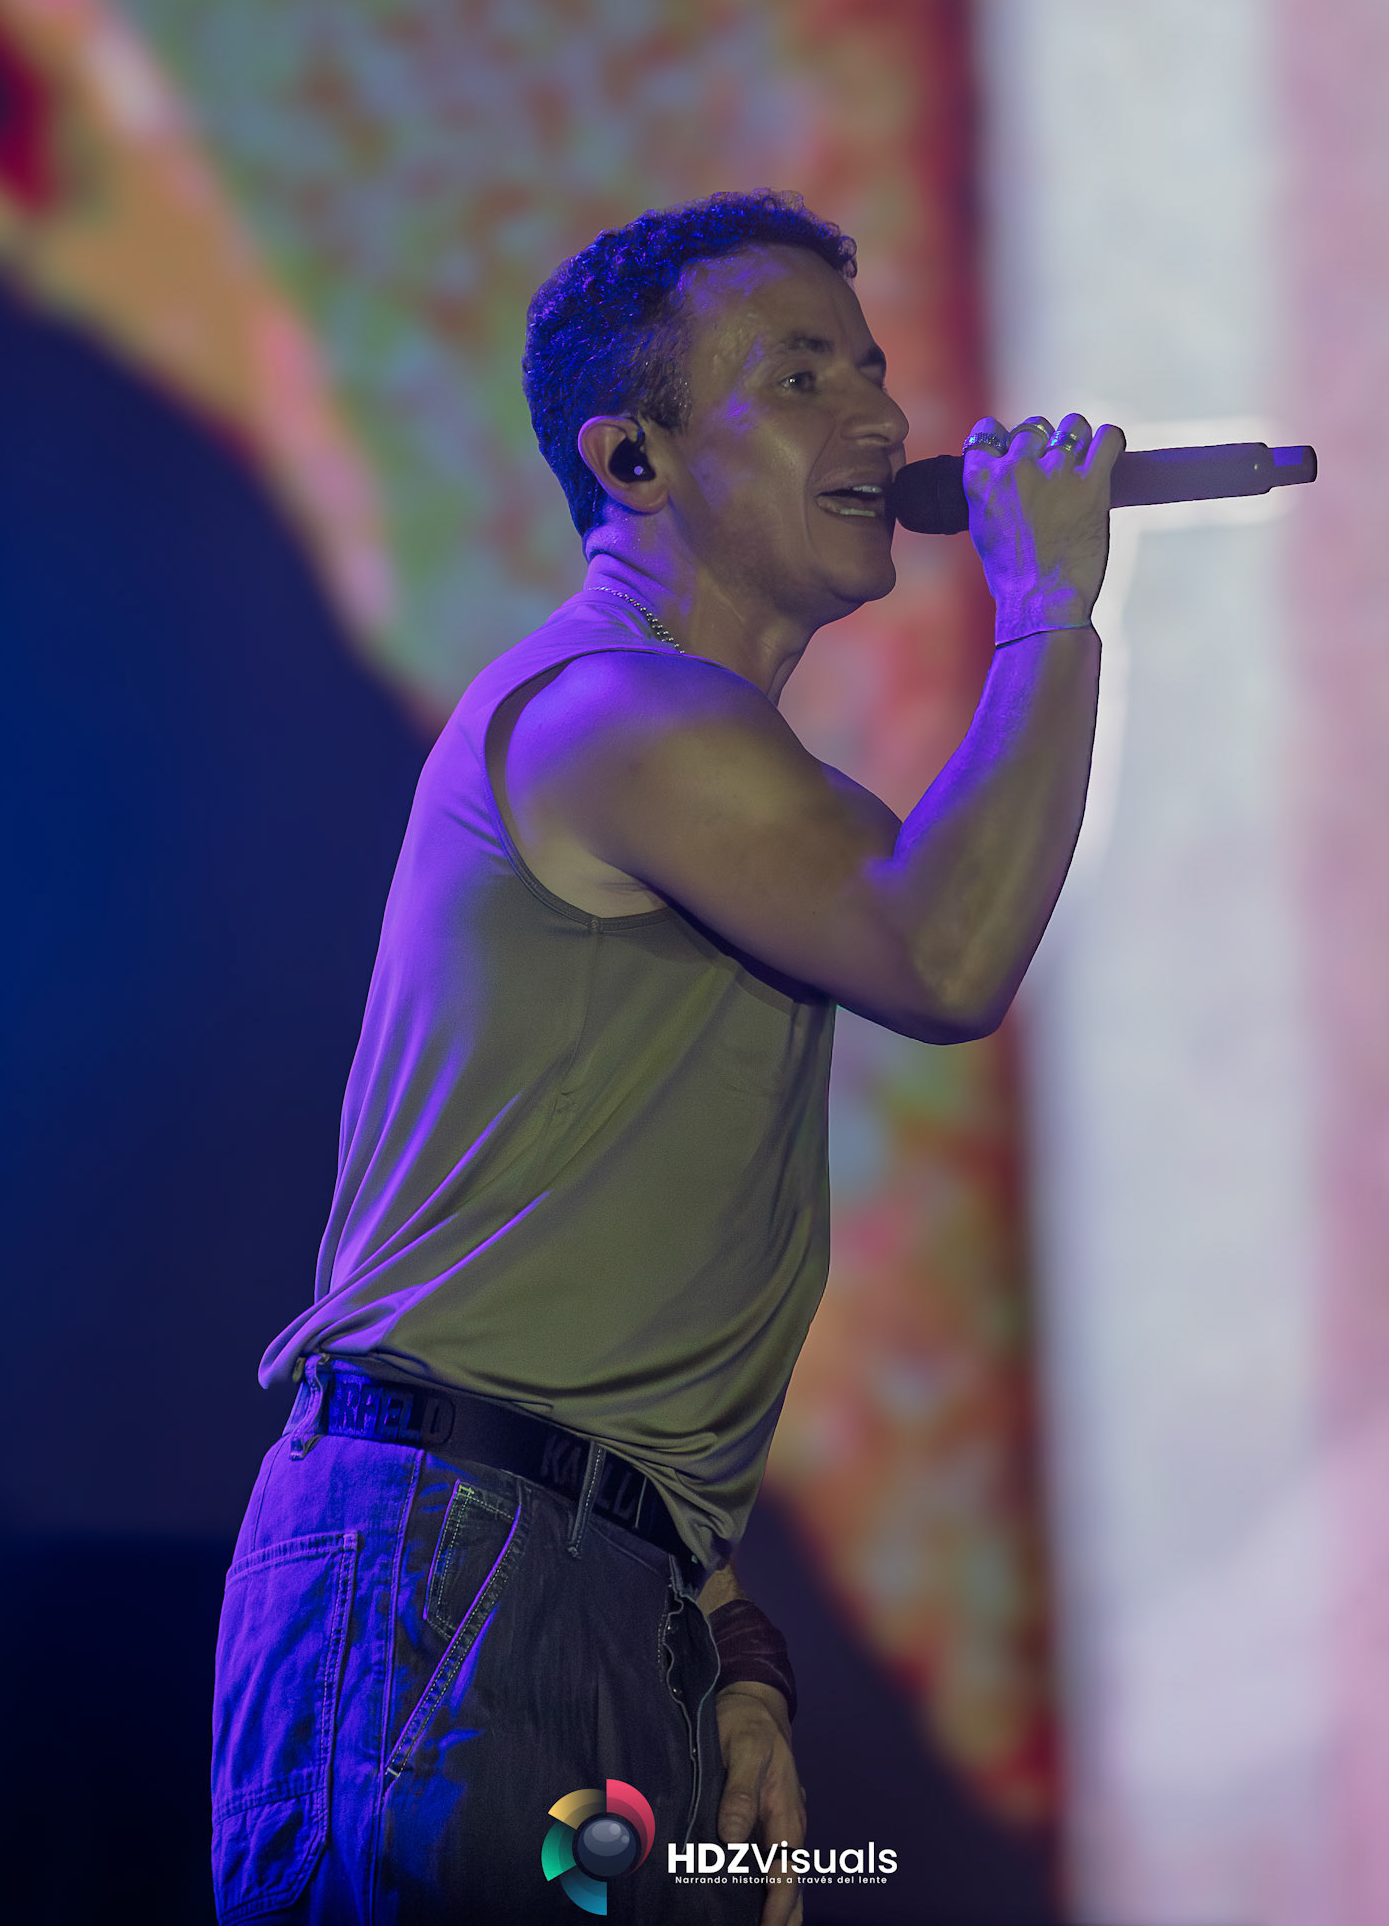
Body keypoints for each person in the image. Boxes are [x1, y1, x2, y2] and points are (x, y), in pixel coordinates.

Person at [210, 189, 1119, 1926]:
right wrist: (1048, 610)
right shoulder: (613, 715)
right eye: (800, 378)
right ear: (630, 459)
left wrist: (725, 1646)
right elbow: (944, 954)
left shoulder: (720, 774)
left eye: (871, 370)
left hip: (574, 1583)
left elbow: (610, 1302)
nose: (879, 421)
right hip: (451, 1584)